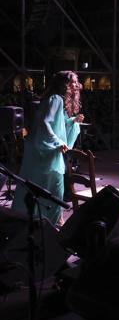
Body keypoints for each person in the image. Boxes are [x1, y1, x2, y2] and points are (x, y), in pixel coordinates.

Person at [12, 71, 84, 226]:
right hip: (47, 150)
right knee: (54, 190)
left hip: (43, 149)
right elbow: (45, 122)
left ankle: (48, 221)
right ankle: (53, 224)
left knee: (41, 187)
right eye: (73, 82)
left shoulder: (54, 99)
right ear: (64, 84)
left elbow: (59, 124)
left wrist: (73, 121)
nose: (76, 85)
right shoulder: (56, 99)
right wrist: (58, 141)